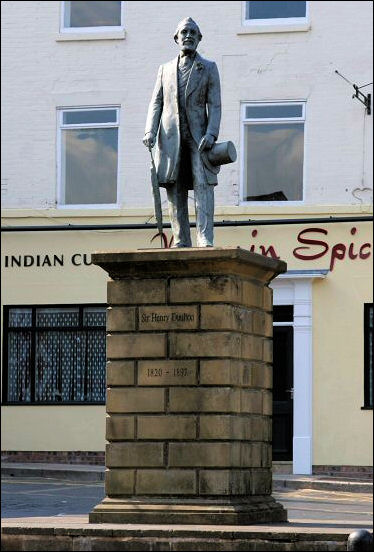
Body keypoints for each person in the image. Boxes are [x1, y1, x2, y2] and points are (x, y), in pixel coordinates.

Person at [143, 17, 221, 247]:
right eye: (184, 32)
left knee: (202, 186)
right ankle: (180, 239)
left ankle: (205, 237)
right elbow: (156, 102)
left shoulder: (209, 68)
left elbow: (215, 104)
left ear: (199, 38)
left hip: (199, 138)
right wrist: (150, 130)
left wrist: (211, 134)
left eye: (193, 32)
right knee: (174, 188)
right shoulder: (164, 69)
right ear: (176, 38)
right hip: (170, 137)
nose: (188, 36)